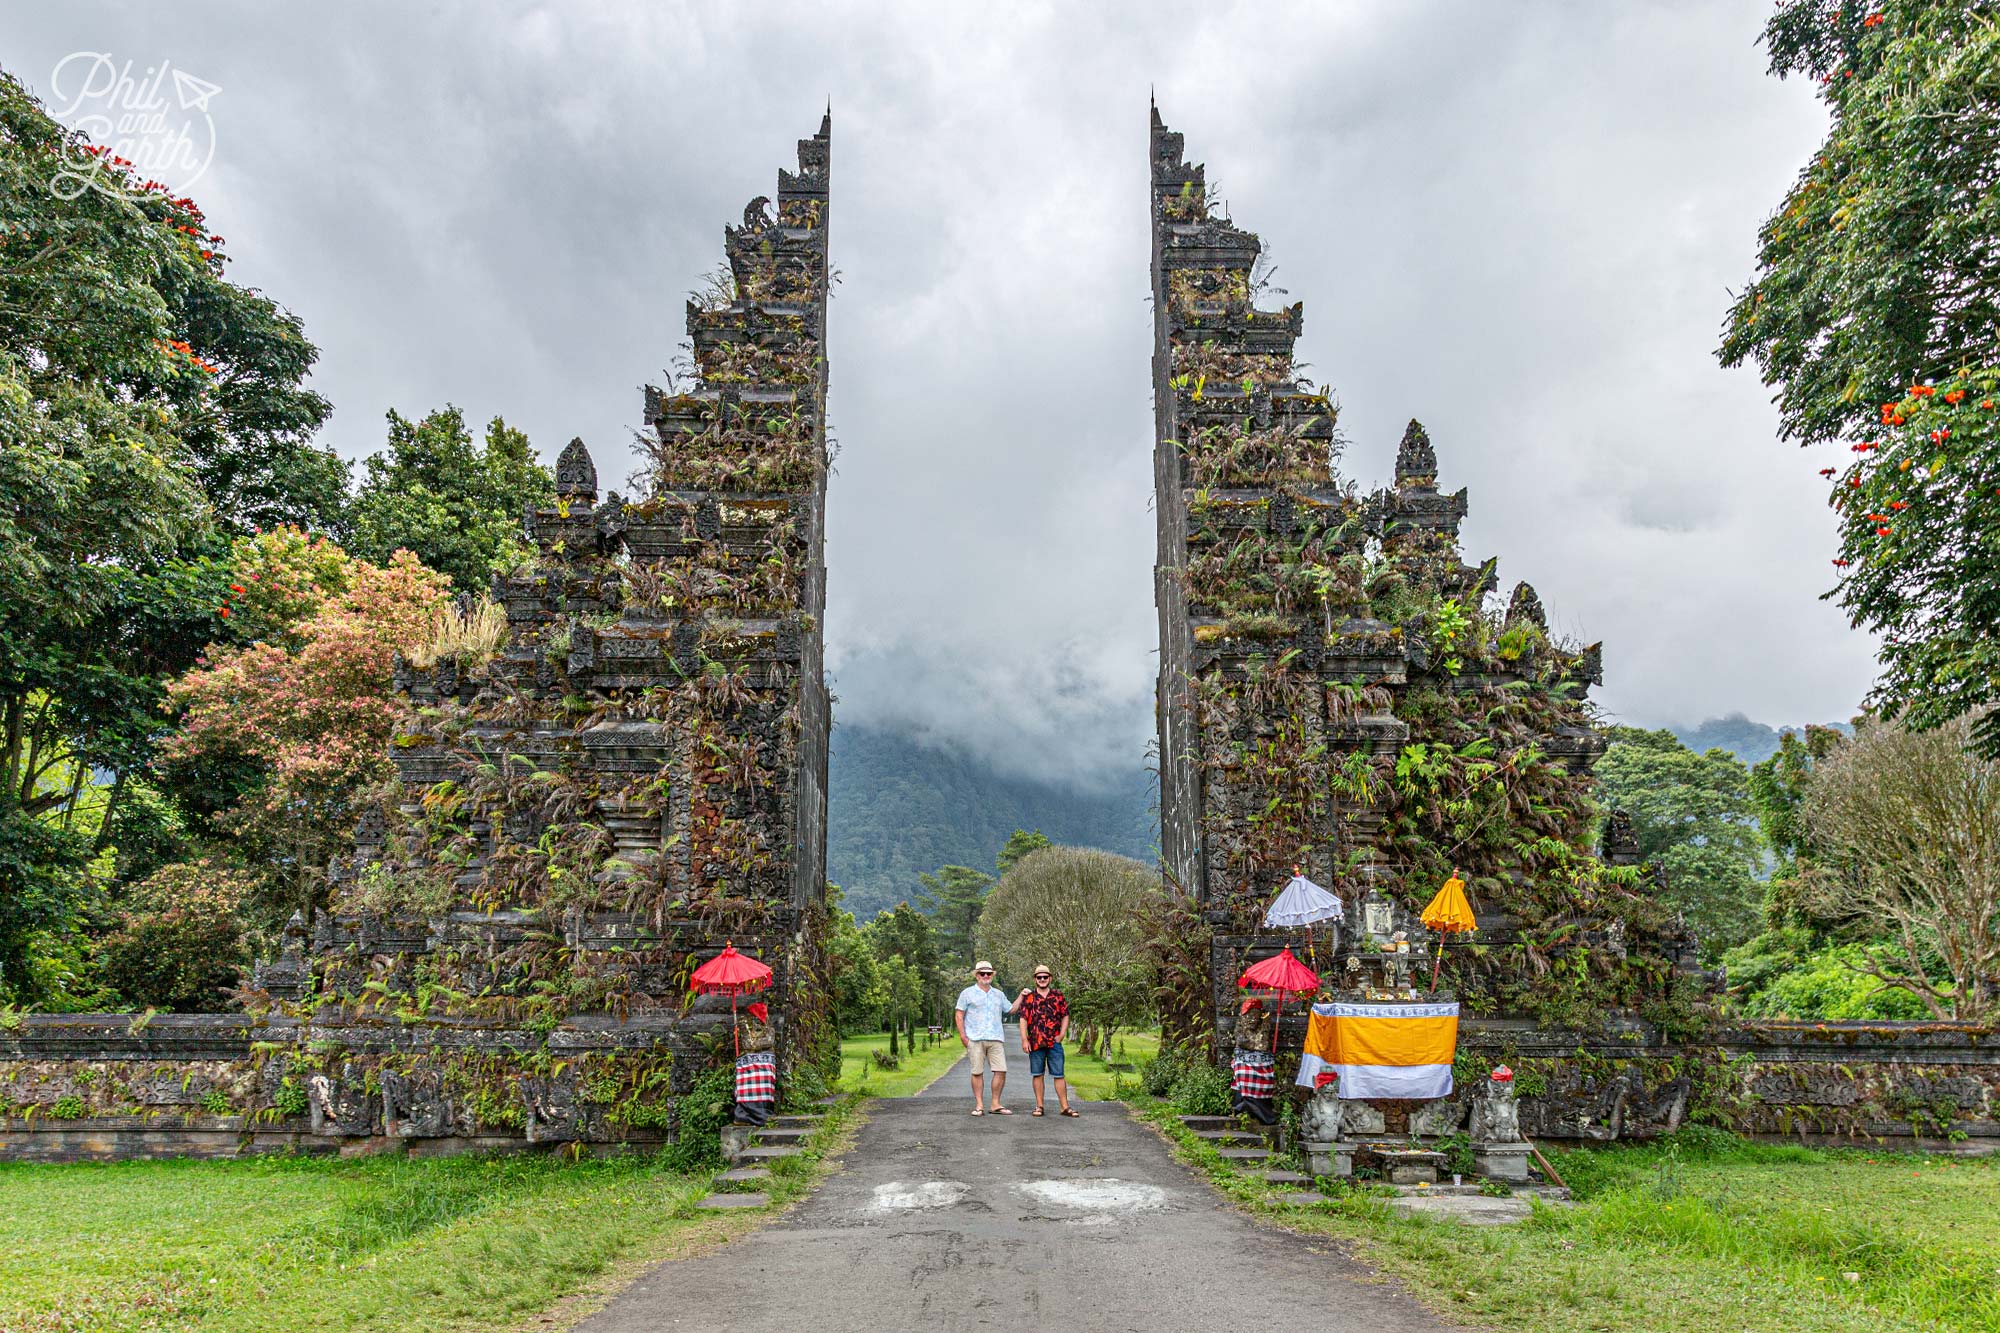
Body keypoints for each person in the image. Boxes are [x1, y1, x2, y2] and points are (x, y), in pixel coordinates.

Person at [1009, 964, 1076, 1117]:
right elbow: (1023, 1019)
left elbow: (1065, 1015)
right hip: (1036, 1042)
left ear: (1050, 978)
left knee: (1059, 1074)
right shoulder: (1029, 998)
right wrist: (1024, 1039)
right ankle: (1039, 1106)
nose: (1042, 979)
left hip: (1054, 1042)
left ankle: (1064, 1107)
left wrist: (1062, 1033)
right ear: (1035, 979)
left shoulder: (1058, 996)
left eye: (1045, 977)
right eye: (1039, 977)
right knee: (1037, 1073)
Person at [954, 961, 1012, 1116]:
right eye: (982, 973)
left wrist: (1022, 995)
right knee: (977, 1072)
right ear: (977, 975)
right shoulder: (967, 993)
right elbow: (959, 1014)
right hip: (975, 1038)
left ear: (992, 975)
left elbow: (1011, 1009)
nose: (986, 976)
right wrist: (963, 1035)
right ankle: (979, 1105)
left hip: (995, 1038)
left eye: (989, 973)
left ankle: (995, 1104)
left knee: (1001, 1070)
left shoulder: (998, 994)